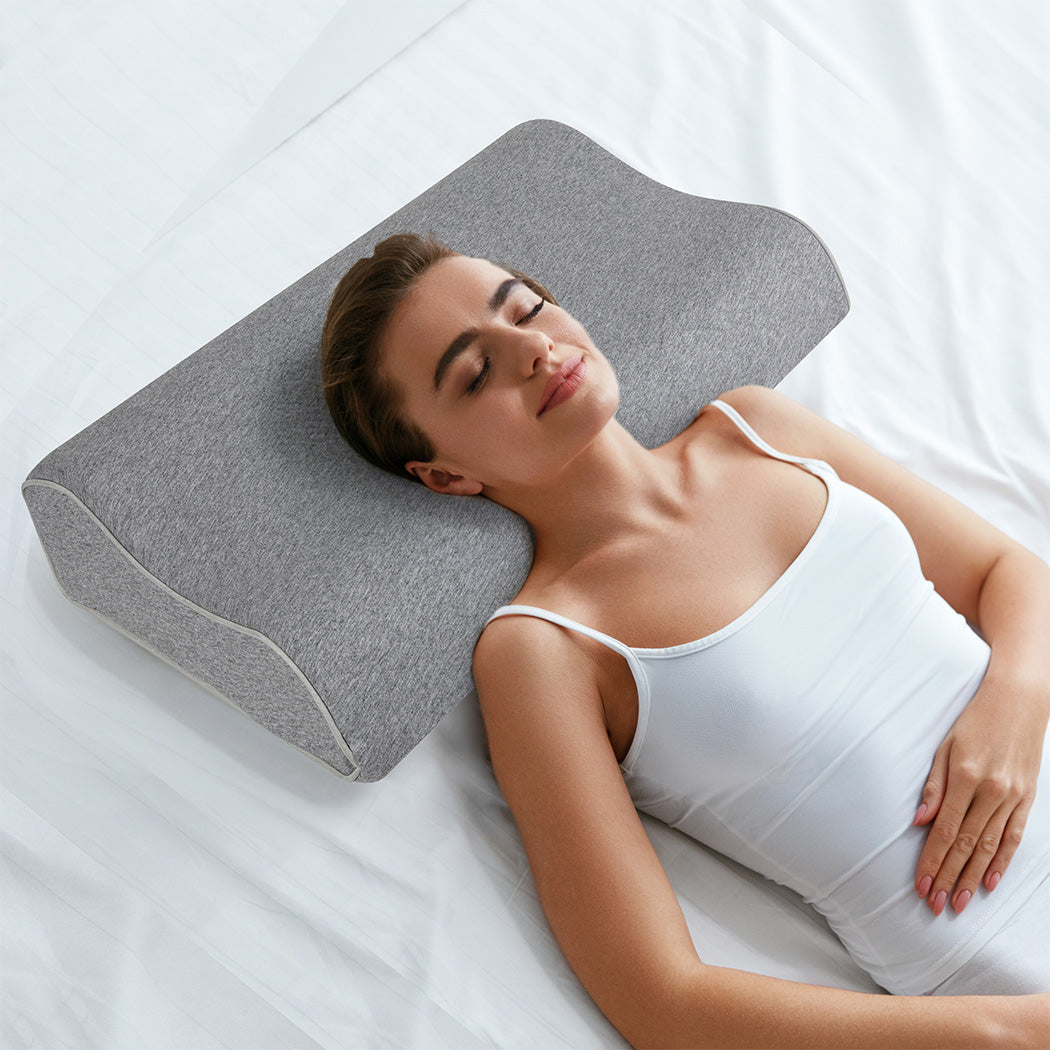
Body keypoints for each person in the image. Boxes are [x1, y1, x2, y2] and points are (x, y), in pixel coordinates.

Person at [321, 232, 1050, 1048]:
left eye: (525, 310)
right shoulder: (543, 650)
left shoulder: (758, 427)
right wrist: (1006, 1033)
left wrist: (1016, 701)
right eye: (476, 372)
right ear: (446, 475)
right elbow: (660, 999)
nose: (533, 350)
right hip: (1010, 977)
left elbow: (1010, 571)